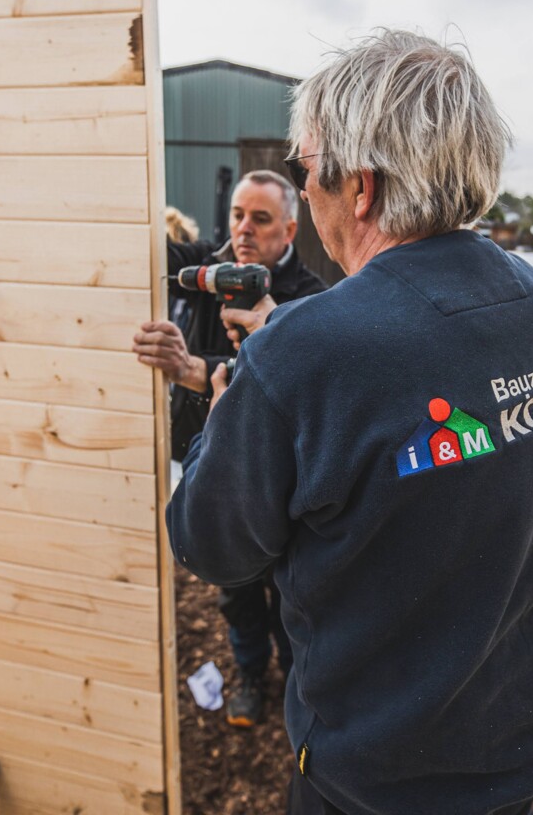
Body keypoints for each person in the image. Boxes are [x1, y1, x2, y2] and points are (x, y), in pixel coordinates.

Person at [167, 30, 533, 815]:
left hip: (378, 780)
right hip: (526, 730)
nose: (305, 194)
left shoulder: (301, 355)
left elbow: (214, 544)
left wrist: (230, 408)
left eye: (307, 170)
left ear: (359, 188)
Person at [132, 170, 327, 727]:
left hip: (279, 475)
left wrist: (196, 370)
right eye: (238, 215)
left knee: (289, 592)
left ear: (289, 230)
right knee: (235, 589)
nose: (243, 230)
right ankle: (248, 679)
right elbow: (146, 252)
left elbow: (296, 389)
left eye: (260, 220)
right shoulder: (205, 264)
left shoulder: (309, 299)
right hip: (209, 452)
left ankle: (299, 692)